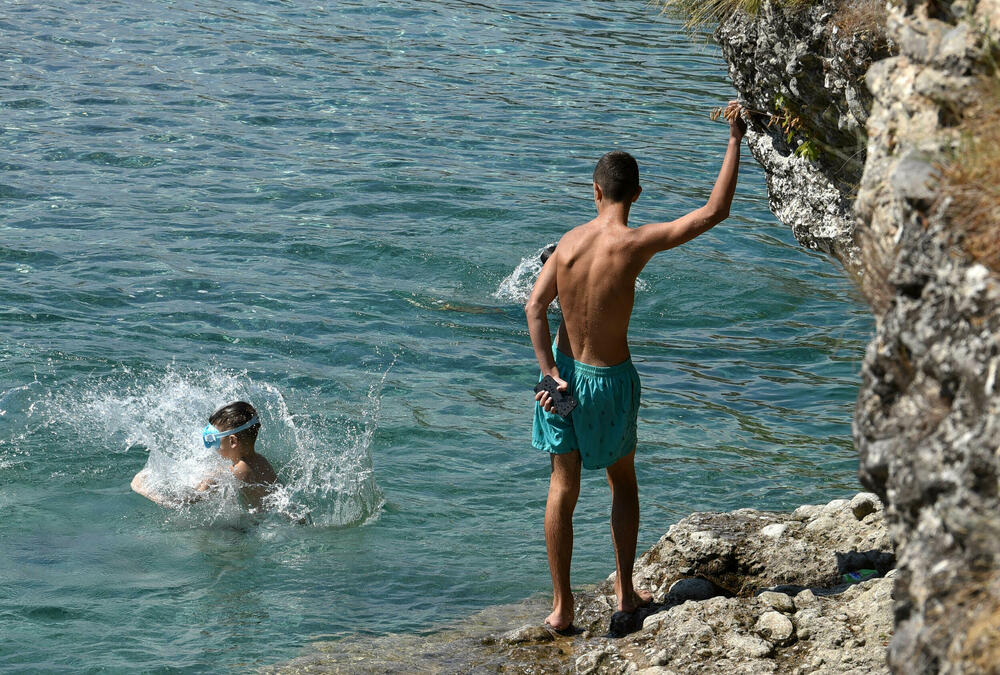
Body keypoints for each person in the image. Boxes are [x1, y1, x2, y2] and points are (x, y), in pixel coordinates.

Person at [526, 102, 746, 633]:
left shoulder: (567, 245)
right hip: (609, 380)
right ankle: (625, 594)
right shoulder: (635, 242)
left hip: (560, 377)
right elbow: (715, 211)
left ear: (595, 191)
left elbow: (534, 307)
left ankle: (562, 607)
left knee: (562, 484)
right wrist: (736, 137)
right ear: (637, 195)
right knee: (621, 483)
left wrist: (549, 372)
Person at [131, 401, 278, 512]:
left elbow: (180, 503)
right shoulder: (261, 461)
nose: (212, 447)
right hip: (264, 520)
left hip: (250, 530)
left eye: (213, 440)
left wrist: (142, 488)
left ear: (233, 441)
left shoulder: (238, 471)